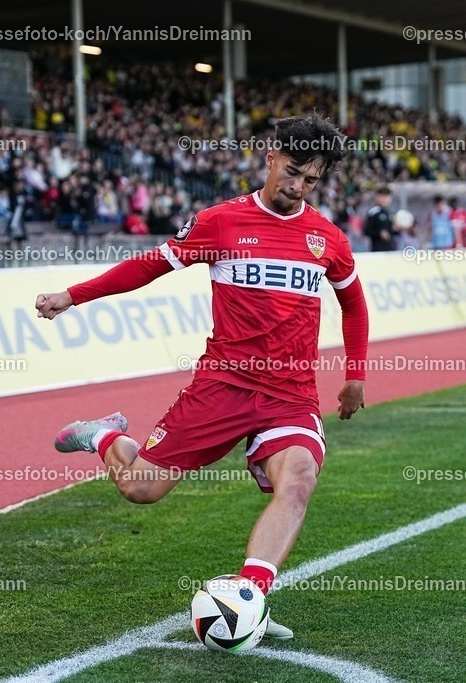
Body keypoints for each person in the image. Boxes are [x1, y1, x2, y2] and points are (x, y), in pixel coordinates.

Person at [35, 114, 369, 639]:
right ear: (271, 155)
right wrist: (72, 296)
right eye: (294, 171)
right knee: (141, 491)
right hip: (223, 384)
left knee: (298, 479)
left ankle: (250, 599)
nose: (299, 186)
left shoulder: (327, 238)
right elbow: (148, 266)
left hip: (290, 395)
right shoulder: (220, 222)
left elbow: (354, 305)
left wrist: (355, 375)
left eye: (311, 180)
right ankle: (104, 436)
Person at [362, 186, 395, 251]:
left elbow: (392, 231)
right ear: (377, 197)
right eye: (383, 196)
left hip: (390, 249)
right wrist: (379, 233)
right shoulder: (373, 212)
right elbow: (366, 231)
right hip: (377, 250)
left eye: (387, 196)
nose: (385, 199)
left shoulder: (390, 213)